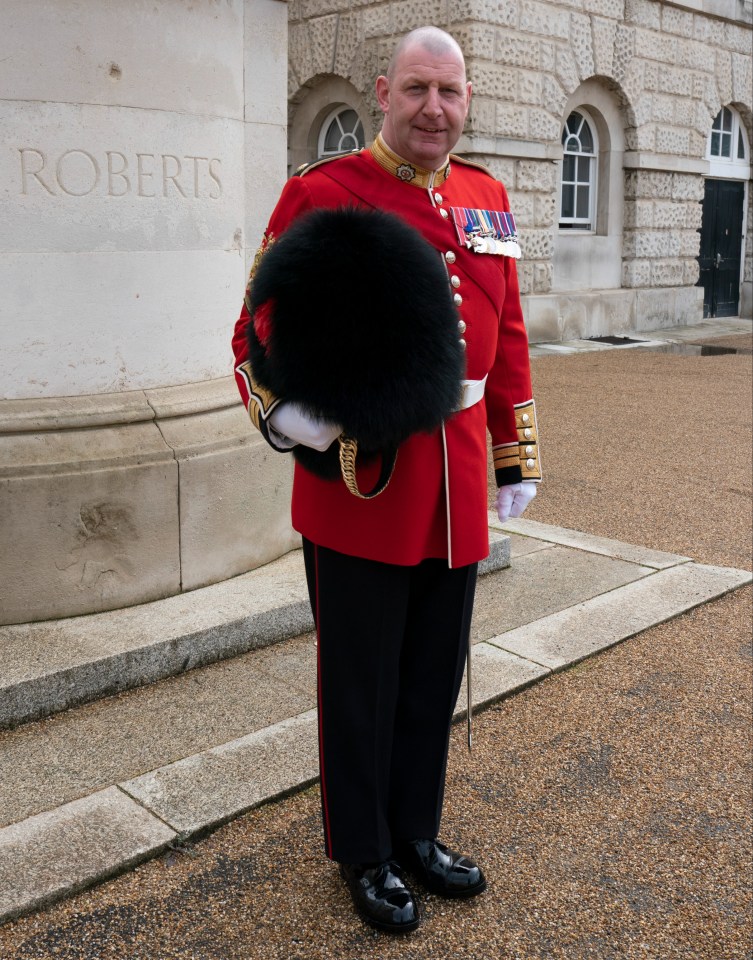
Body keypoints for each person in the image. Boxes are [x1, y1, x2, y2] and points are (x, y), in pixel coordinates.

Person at [231, 26, 541, 935]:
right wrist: (300, 423)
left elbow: (508, 331)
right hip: (364, 479)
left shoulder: (486, 195)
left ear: (467, 98)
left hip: (453, 488)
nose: (433, 109)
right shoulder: (322, 193)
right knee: (360, 678)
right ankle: (361, 851)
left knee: (429, 675)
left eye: (448, 92)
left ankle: (415, 833)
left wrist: (513, 453)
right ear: (383, 91)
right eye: (416, 90)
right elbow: (252, 334)